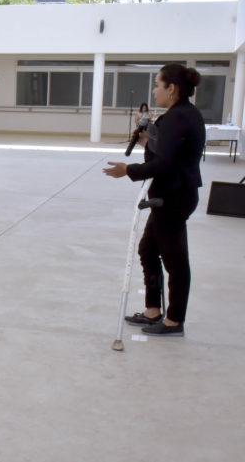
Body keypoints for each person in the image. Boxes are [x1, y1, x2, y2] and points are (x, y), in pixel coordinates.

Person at [103, 64, 205, 337]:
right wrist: (147, 141)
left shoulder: (179, 118)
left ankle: (173, 321)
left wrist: (129, 170)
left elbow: (164, 164)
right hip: (169, 194)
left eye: (158, 85)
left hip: (174, 197)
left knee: (175, 261)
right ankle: (152, 310)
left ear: (172, 89)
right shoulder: (181, 115)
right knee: (148, 249)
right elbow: (165, 154)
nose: (155, 90)